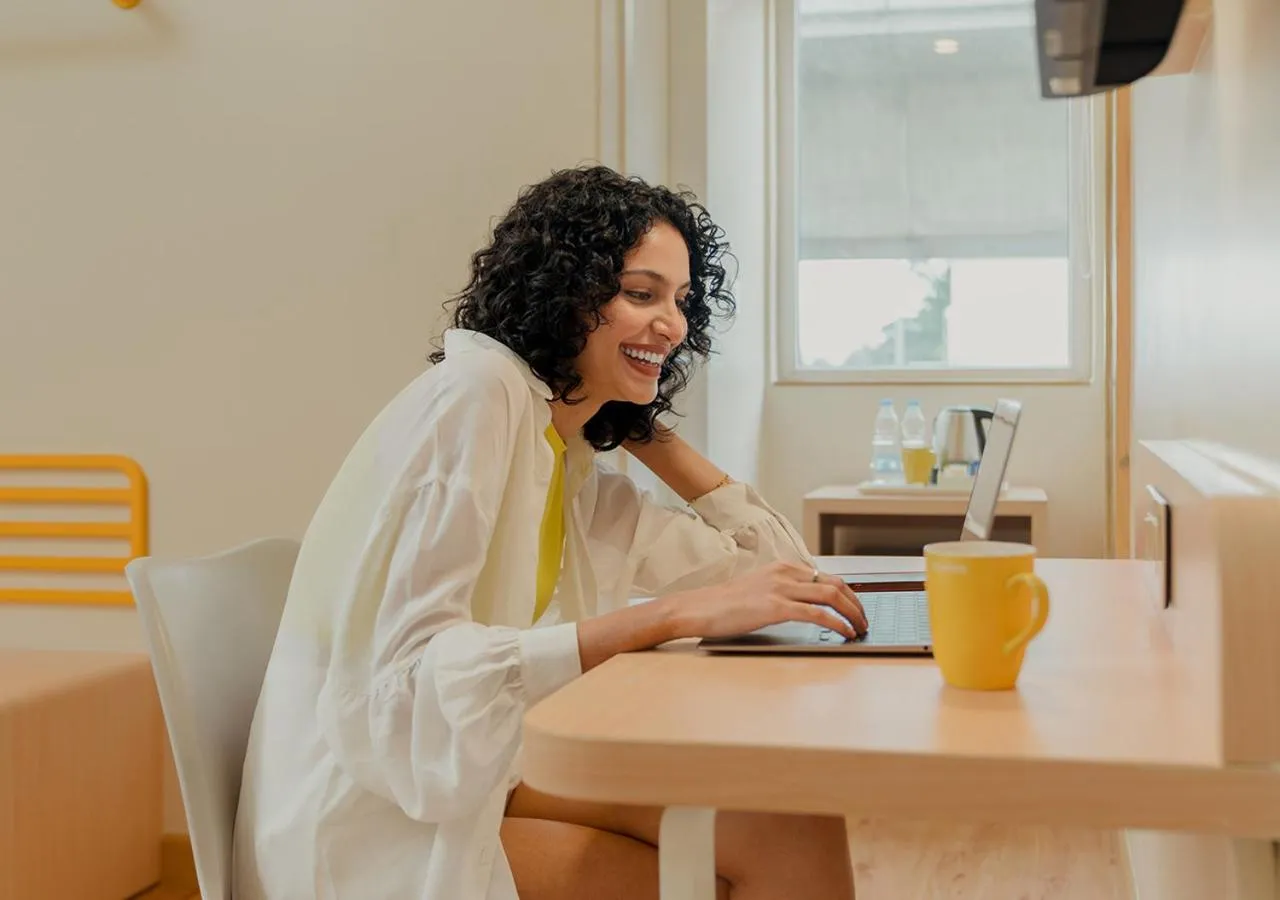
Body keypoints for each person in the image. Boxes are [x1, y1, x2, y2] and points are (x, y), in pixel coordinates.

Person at [233, 165, 866, 900]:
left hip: (471, 769)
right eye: (641, 294)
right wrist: (660, 617)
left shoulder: (564, 459)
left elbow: (787, 579)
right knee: (724, 875)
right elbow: (403, 695)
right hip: (374, 819)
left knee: (794, 824)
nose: (673, 323)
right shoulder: (475, 397)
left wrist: (641, 424)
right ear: (564, 295)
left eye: (682, 301)